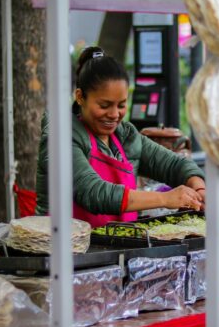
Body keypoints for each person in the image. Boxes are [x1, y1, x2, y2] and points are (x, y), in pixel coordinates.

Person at [36, 46, 209, 228]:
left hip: (116, 249)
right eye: (104, 105)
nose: (114, 114)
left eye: (121, 105)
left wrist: (200, 189)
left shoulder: (126, 136)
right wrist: (165, 198)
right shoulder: (59, 136)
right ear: (80, 97)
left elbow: (174, 165)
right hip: (63, 248)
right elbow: (93, 192)